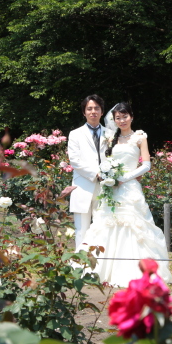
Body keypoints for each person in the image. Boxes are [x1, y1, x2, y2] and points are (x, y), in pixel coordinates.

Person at [78, 102, 172, 285]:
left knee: (133, 226)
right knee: (106, 224)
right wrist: (108, 175)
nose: (122, 121)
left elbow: (146, 164)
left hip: (129, 188)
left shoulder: (139, 137)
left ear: (132, 117)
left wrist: (126, 177)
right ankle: (100, 270)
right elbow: (104, 162)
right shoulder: (110, 138)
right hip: (111, 188)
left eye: (125, 117)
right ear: (114, 120)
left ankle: (135, 272)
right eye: (118, 118)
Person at [67, 95, 107, 251]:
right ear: (84, 112)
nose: (93, 112)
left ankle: (100, 265)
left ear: (102, 111)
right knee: (82, 230)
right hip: (82, 185)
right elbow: (75, 161)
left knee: (102, 227)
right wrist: (96, 173)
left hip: (105, 187)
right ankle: (80, 265)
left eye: (96, 108)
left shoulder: (110, 133)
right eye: (89, 108)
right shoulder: (75, 134)